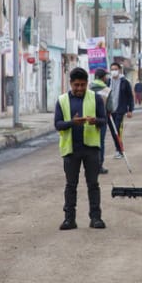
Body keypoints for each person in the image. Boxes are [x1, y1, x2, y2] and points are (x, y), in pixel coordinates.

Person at [54, 67, 107, 230]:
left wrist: (95, 121)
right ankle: (69, 219)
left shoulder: (95, 98)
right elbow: (57, 124)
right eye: (76, 85)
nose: (79, 88)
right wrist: (72, 123)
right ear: (70, 83)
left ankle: (96, 218)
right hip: (71, 150)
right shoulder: (62, 100)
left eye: (83, 85)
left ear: (87, 84)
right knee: (71, 185)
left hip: (91, 149)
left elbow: (104, 120)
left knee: (93, 184)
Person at [107, 62, 134, 159]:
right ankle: (119, 149)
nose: (114, 71)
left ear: (119, 70)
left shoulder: (124, 82)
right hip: (110, 111)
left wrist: (130, 110)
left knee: (117, 130)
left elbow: (130, 97)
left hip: (120, 110)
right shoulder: (107, 82)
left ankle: (119, 150)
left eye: (115, 69)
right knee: (113, 131)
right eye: (112, 69)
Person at [90, 68, 111, 174]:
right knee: (100, 143)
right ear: (103, 78)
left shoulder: (88, 88)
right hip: (101, 119)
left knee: (89, 142)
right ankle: (99, 165)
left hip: (88, 119)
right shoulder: (106, 90)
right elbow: (110, 107)